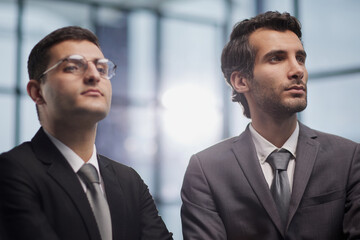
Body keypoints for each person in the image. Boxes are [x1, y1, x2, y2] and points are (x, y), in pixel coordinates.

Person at [181, 11, 360, 240]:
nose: (298, 71)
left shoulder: (348, 157)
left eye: (300, 58)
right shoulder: (206, 169)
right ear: (240, 81)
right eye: (277, 58)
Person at [0, 26, 173, 240]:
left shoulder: (129, 181)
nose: (93, 75)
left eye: (101, 69)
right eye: (73, 67)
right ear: (37, 92)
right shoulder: (11, 172)